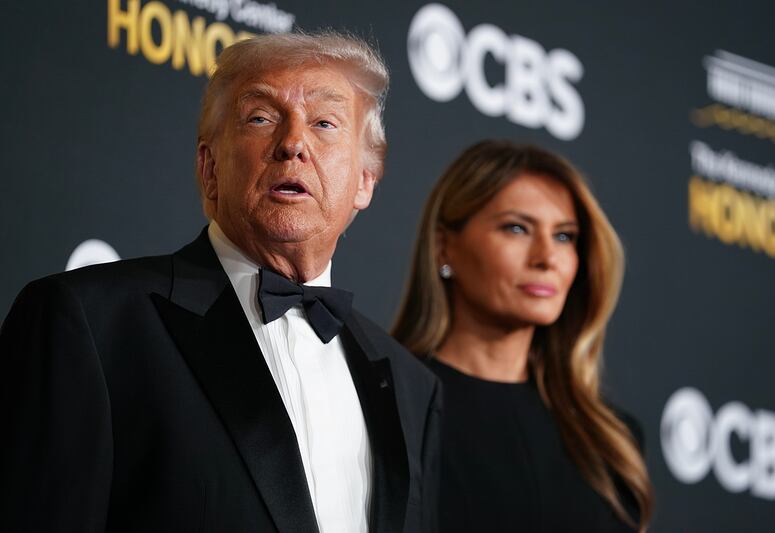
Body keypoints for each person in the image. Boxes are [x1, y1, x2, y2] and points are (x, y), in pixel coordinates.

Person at [0, 32, 440, 533]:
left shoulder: (411, 386)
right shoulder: (89, 322)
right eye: (261, 118)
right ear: (209, 169)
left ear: (365, 180)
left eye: (324, 122)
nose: (293, 144)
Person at [392, 140, 654, 532]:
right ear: (444, 247)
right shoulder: (388, 404)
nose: (546, 257)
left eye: (565, 236)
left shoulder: (610, 440)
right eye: (517, 228)